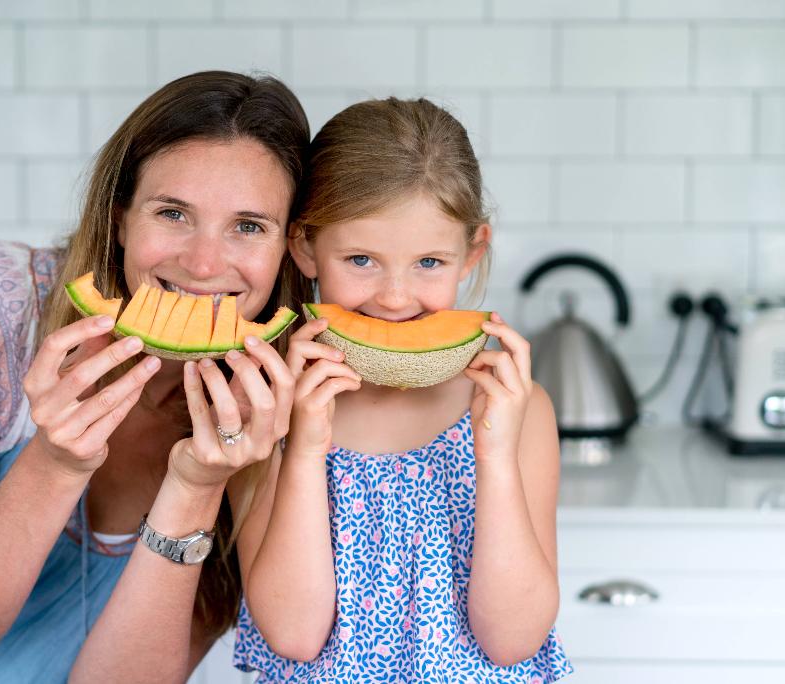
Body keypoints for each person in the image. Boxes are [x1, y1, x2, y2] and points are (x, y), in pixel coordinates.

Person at [0, 70, 313, 682]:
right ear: (120, 217)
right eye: (173, 213)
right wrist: (55, 463)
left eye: (248, 226)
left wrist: (199, 485)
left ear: (291, 248)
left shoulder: (287, 419)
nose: (204, 263)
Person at [233, 97, 574, 682]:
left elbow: (513, 640)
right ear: (305, 246)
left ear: (472, 253)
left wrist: (494, 457)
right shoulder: (264, 402)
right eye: (361, 259)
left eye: (429, 262)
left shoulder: (513, 409)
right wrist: (304, 449)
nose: (394, 297)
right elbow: (292, 635)